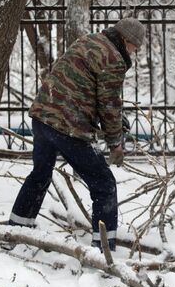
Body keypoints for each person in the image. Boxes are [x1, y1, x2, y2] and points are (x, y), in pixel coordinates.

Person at [8, 17, 145, 252]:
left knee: (40, 174)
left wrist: (108, 119)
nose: (134, 52)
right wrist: (115, 144)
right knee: (104, 184)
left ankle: (16, 231)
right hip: (68, 127)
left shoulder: (89, 40)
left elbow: (82, 86)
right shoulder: (114, 58)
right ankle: (103, 249)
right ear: (125, 40)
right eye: (135, 46)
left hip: (43, 116)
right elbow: (109, 103)